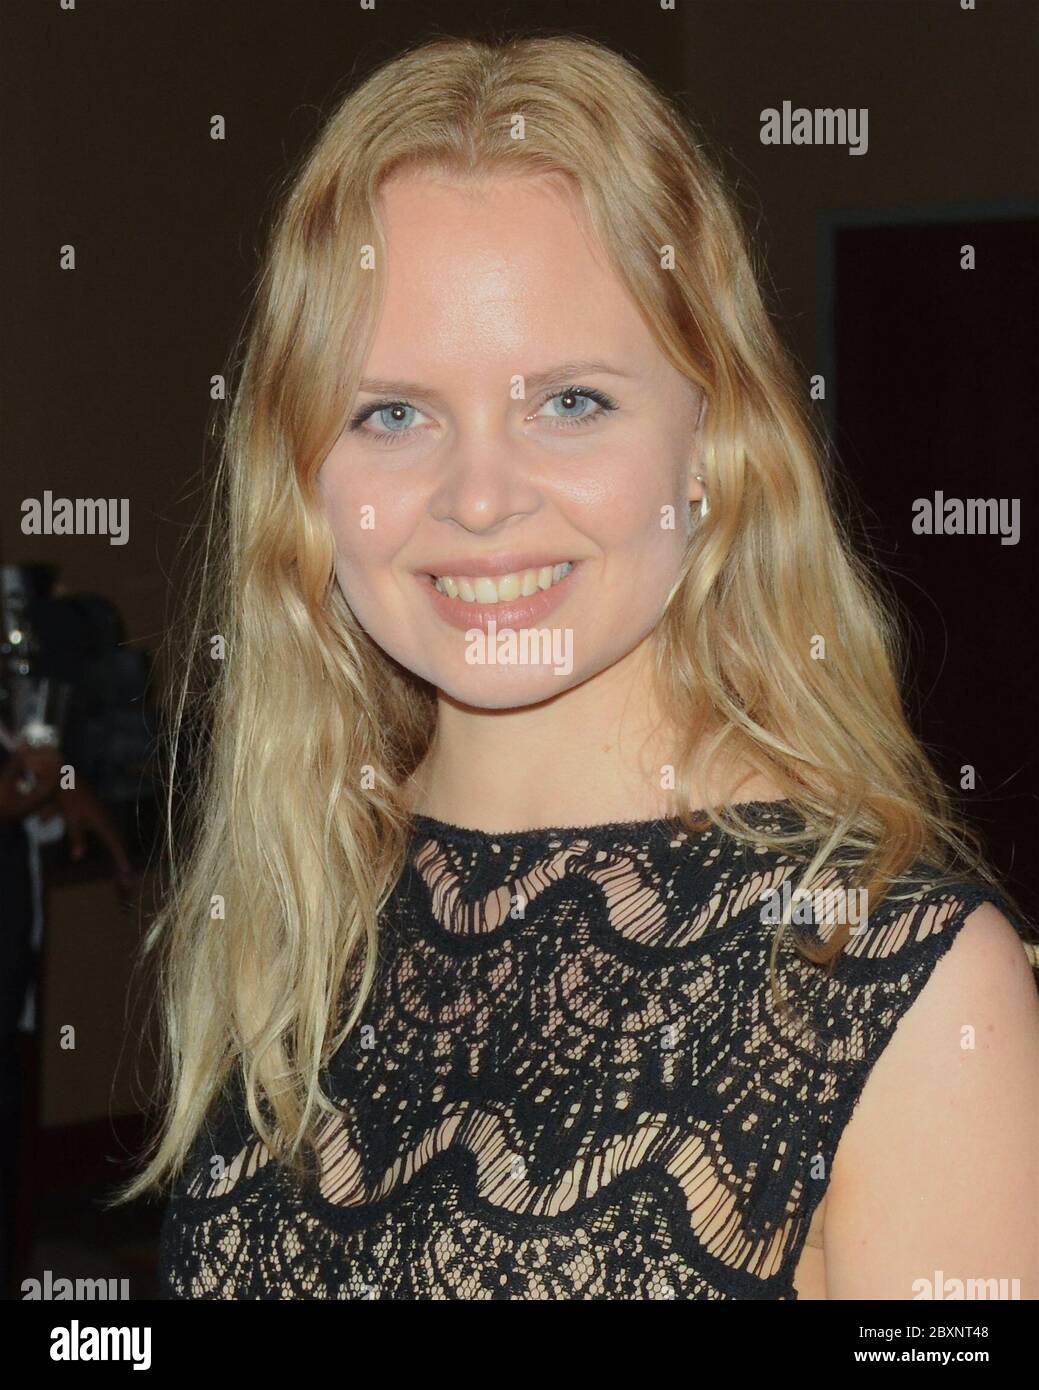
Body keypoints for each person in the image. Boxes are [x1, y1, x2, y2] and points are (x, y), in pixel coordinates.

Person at [122, 35, 1036, 1300]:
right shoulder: (299, 908)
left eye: (570, 402)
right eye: (392, 411)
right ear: (301, 474)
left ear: (716, 436)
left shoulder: (900, 985)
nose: (481, 497)